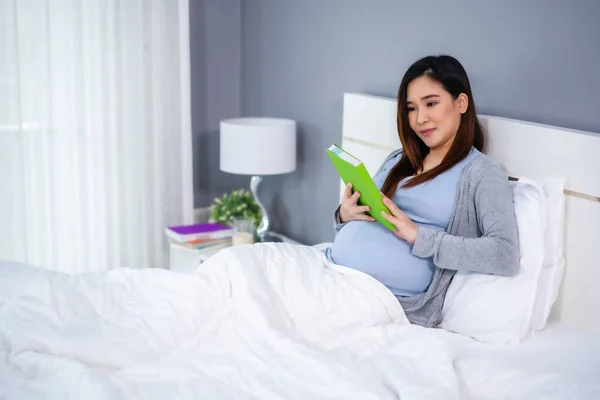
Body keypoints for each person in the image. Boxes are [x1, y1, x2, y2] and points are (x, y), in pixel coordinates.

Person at [324, 55, 520, 328]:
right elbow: (362, 226)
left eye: (431, 103)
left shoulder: (481, 173)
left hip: (384, 300)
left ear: (460, 103)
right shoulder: (398, 159)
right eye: (411, 108)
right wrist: (344, 216)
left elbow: (505, 254)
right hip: (331, 273)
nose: (420, 119)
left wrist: (419, 236)